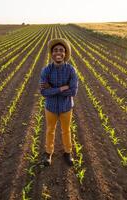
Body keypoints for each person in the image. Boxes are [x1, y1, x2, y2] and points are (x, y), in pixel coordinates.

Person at [40, 38, 78, 166]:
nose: (58, 52)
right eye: (55, 50)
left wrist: (52, 88)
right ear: (52, 53)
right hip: (50, 107)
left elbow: (73, 91)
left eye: (61, 50)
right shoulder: (46, 70)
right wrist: (63, 87)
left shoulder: (71, 70)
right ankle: (48, 153)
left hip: (66, 107)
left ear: (65, 53)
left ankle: (68, 152)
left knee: (66, 130)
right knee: (50, 130)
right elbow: (44, 92)